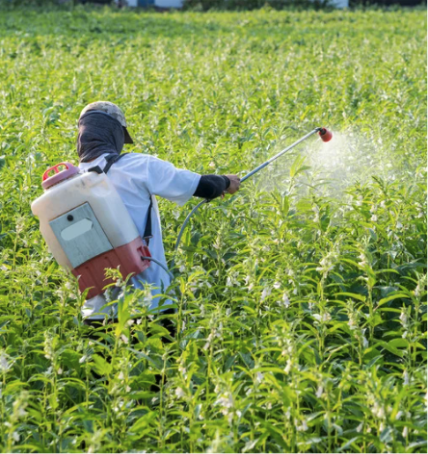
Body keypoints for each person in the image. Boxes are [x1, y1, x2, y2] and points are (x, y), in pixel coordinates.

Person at [77, 101, 241, 323]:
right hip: (148, 304)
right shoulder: (135, 166)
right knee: (162, 357)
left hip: (97, 315)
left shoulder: (69, 182)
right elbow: (201, 186)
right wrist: (225, 181)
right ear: (113, 133)